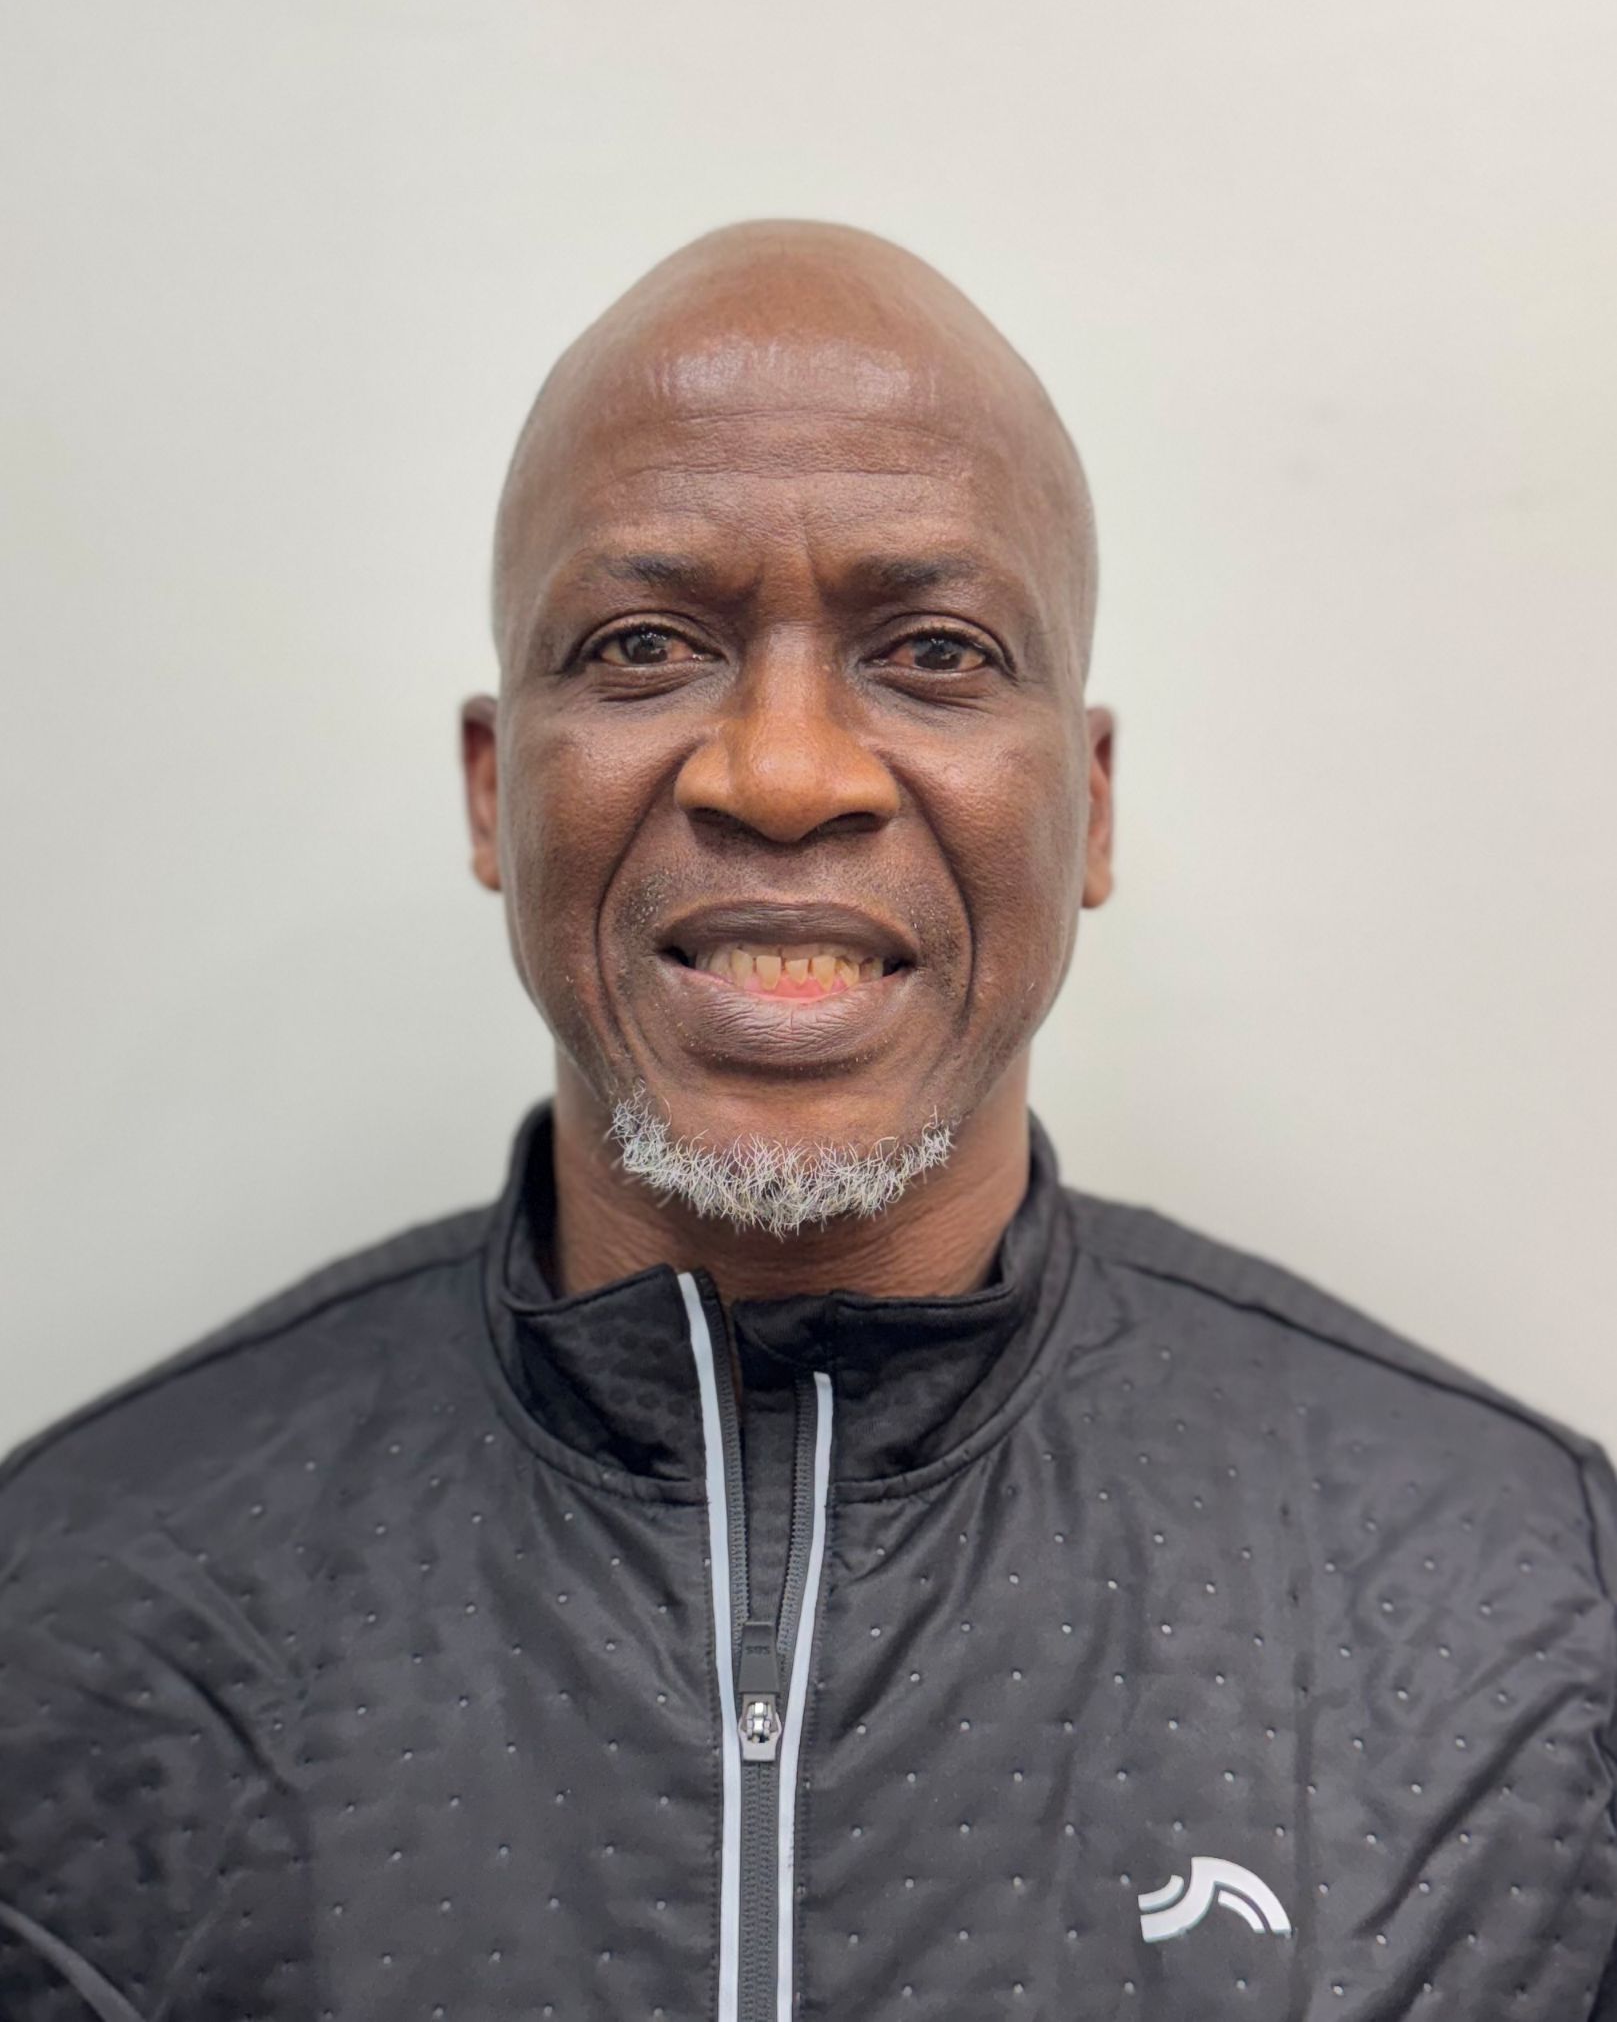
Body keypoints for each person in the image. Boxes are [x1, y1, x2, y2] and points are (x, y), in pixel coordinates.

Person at [1, 221, 1613, 2022]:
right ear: (491, 789)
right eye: (641, 646)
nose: (781, 774)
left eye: (931, 651)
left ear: (1085, 809)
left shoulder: (1523, 1614)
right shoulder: (72, 1611)